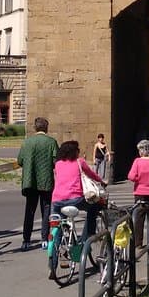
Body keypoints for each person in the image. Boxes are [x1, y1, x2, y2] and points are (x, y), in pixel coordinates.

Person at [49, 140, 105, 277]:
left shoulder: (58, 164)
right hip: (75, 199)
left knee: (57, 230)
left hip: (56, 201)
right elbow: (91, 174)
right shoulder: (80, 162)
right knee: (94, 207)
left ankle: (52, 266)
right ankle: (86, 238)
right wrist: (102, 181)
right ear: (75, 151)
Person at [16, 117, 58, 251]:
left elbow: (20, 160)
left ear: (35, 128)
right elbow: (55, 161)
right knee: (46, 209)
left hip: (30, 180)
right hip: (45, 181)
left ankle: (26, 240)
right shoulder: (51, 142)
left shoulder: (27, 142)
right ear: (46, 128)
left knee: (29, 210)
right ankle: (44, 239)